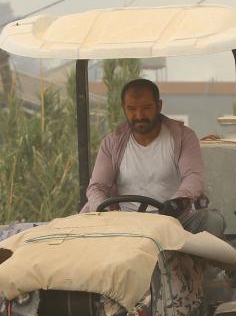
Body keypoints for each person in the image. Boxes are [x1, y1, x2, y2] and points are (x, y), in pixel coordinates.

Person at [83, 78, 225, 237]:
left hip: (174, 223)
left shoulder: (183, 137)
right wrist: (105, 212)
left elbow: (193, 177)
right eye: (132, 108)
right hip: (124, 227)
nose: (139, 115)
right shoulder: (111, 143)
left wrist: (176, 203)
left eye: (146, 108)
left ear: (159, 106)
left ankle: (194, 260)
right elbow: (96, 187)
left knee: (213, 220)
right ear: (123, 108)